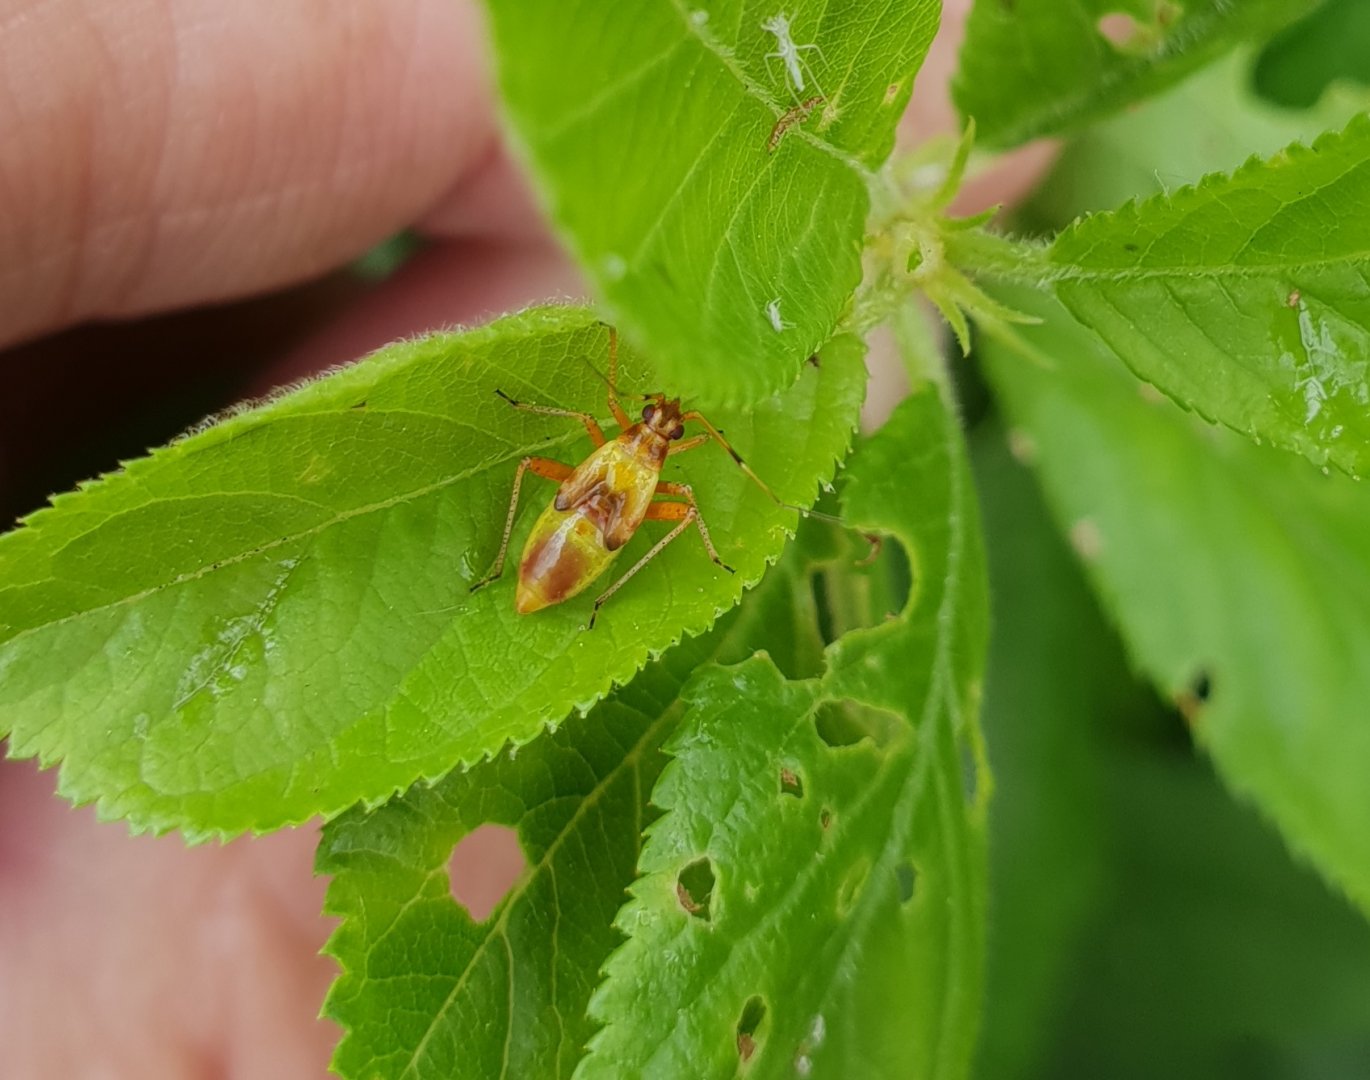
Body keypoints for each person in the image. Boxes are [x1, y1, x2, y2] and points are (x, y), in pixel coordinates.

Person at [0, 1, 1050, 1075]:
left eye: (659, 425)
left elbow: (602, 444)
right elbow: (595, 438)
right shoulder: (639, 461)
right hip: (570, 548)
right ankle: (532, 568)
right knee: (580, 493)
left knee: (594, 498)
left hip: (575, 543)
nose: (657, 427)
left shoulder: (635, 461)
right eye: (657, 421)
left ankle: (538, 569)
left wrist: (597, 529)